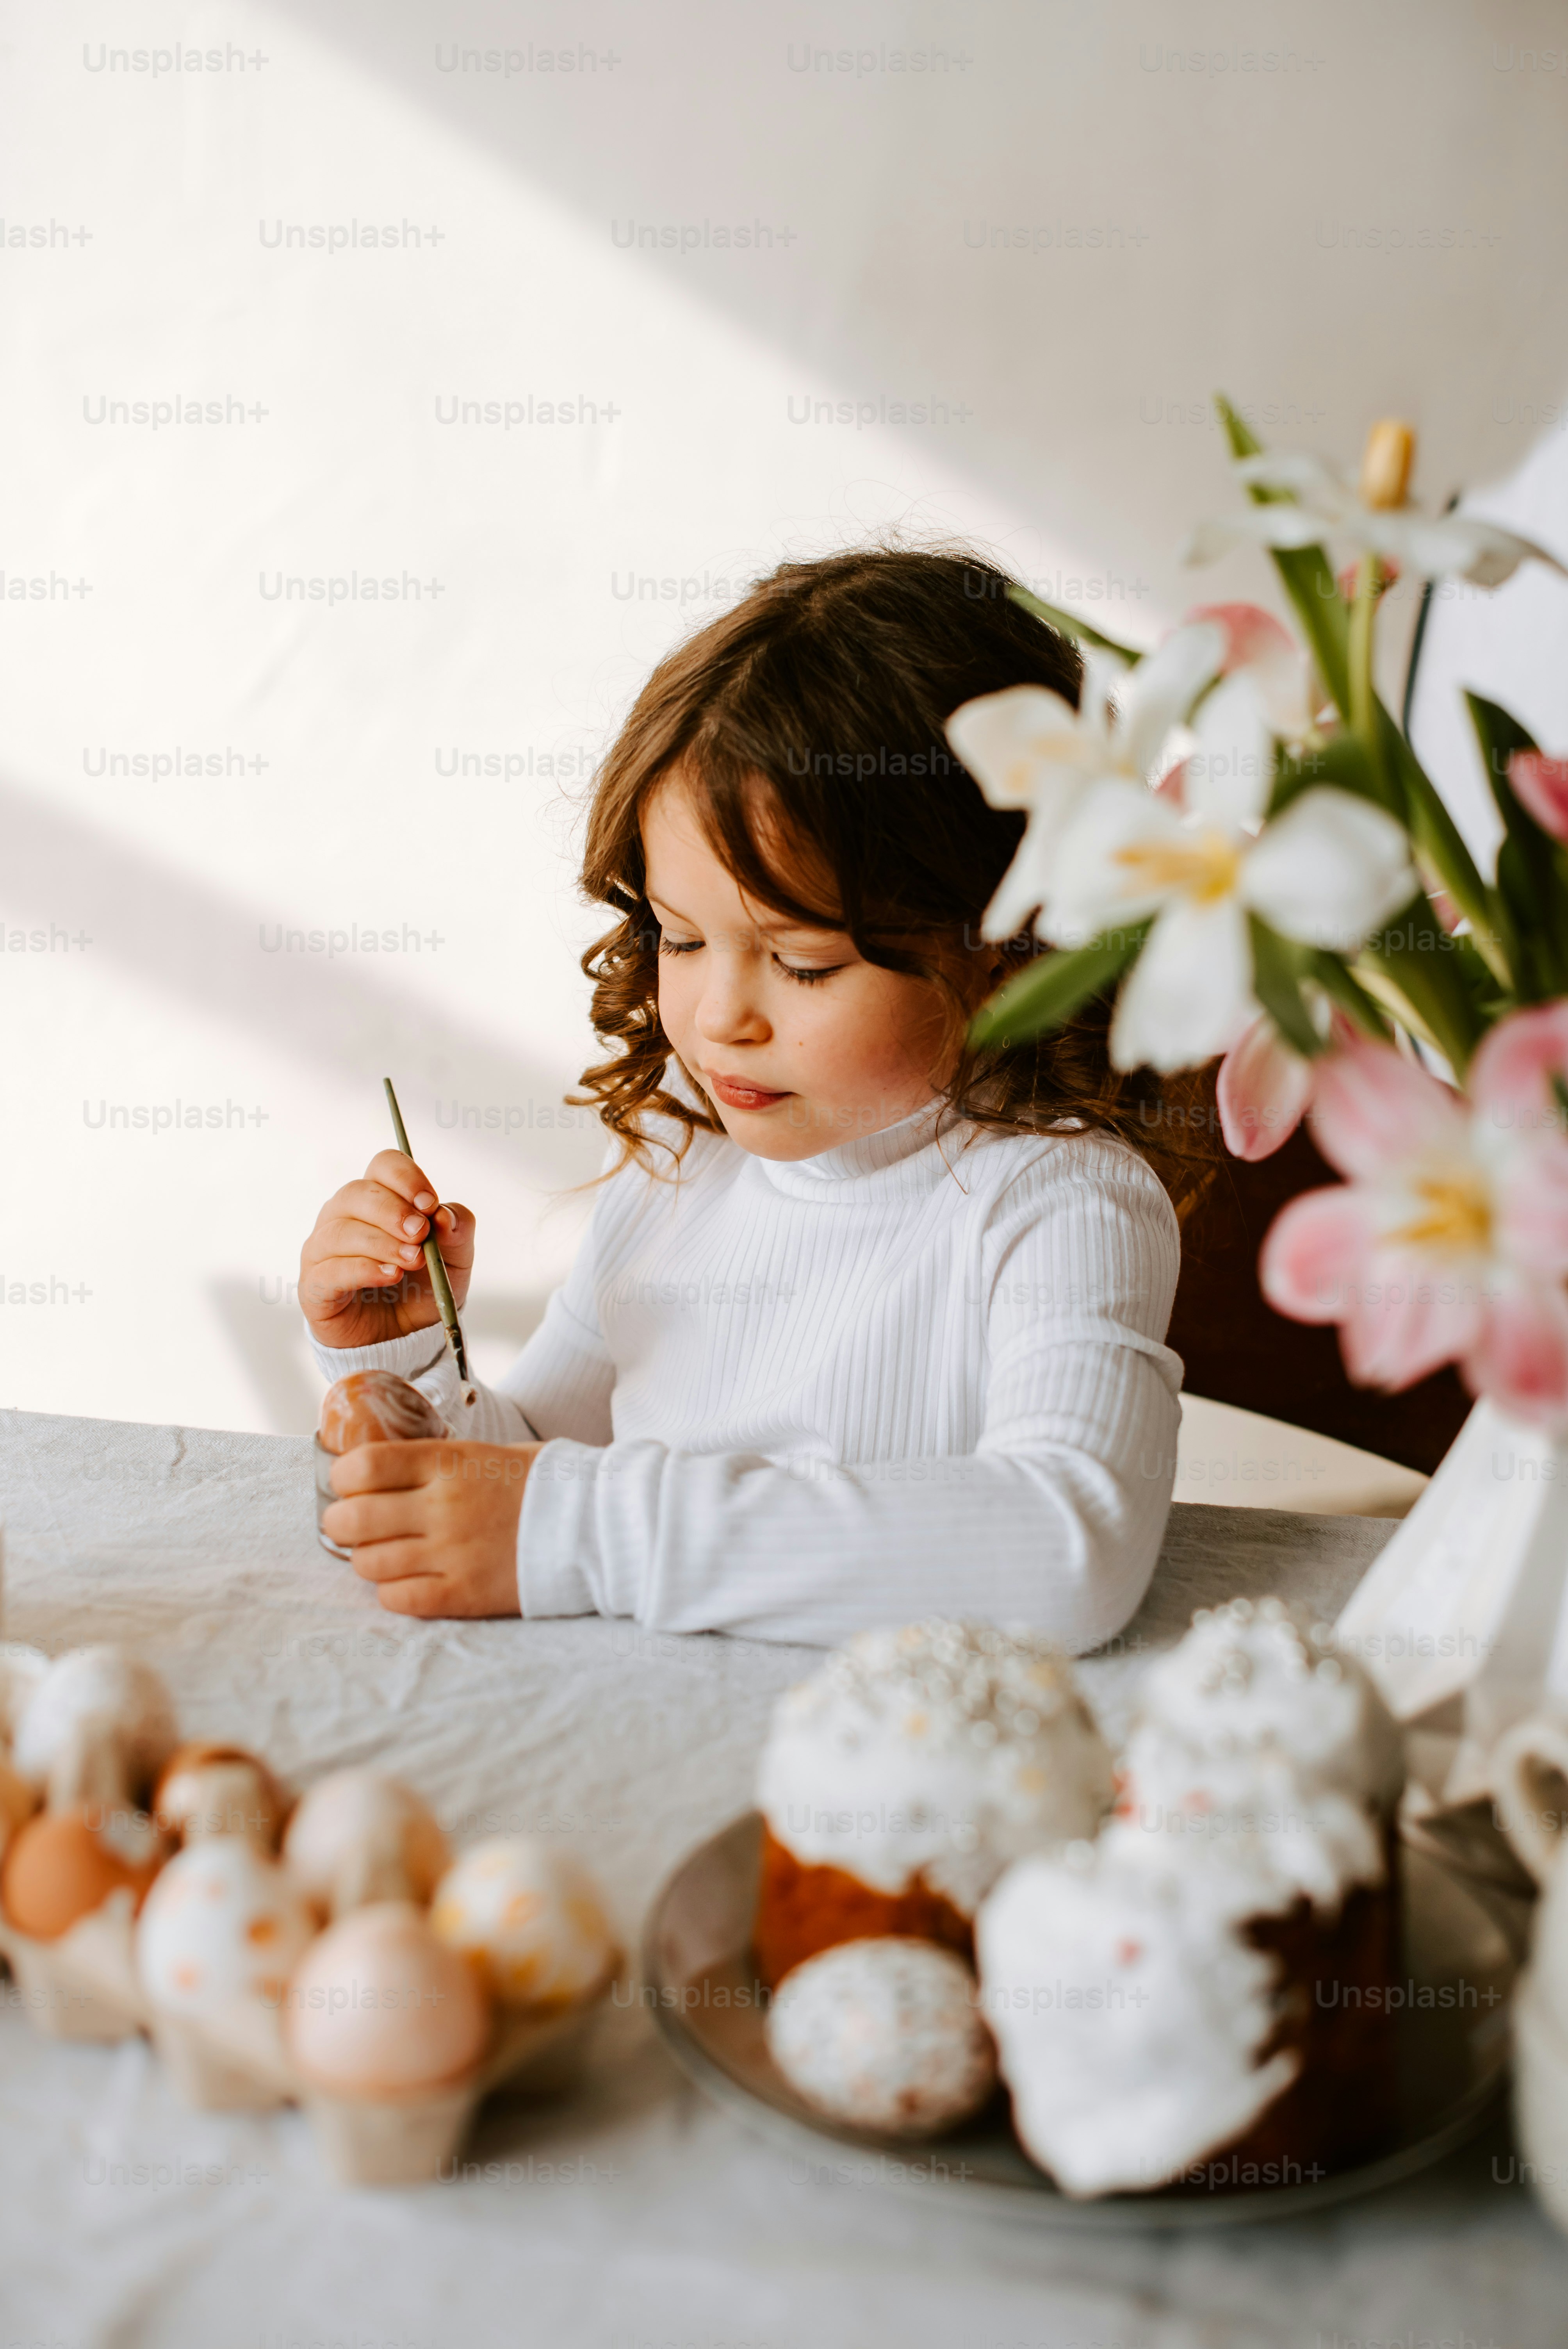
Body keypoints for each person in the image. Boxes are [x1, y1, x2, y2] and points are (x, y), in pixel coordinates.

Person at [300, 548, 1196, 1645]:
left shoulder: (1063, 1207)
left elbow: (1069, 1549)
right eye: (679, 937)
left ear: (1012, 946)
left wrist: (584, 1530)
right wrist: (405, 1370)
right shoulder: (681, 1180)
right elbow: (541, 1467)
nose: (722, 1016)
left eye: (804, 962)